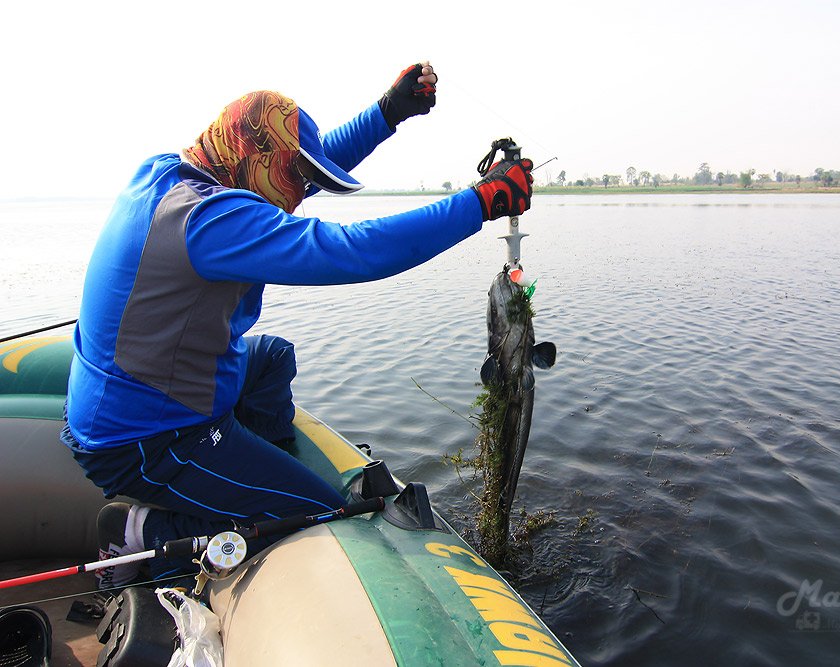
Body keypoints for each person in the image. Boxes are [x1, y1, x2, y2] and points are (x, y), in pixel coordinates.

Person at [59, 62, 534, 587]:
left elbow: (298, 164)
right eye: (290, 178)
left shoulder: (176, 173)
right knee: (319, 511)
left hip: (148, 391)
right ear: (252, 157)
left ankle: (246, 466)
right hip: (144, 437)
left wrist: (388, 113)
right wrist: (479, 203)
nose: (295, 193)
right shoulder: (207, 222)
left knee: (272, 357)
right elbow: (351, 252)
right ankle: (144, 535)